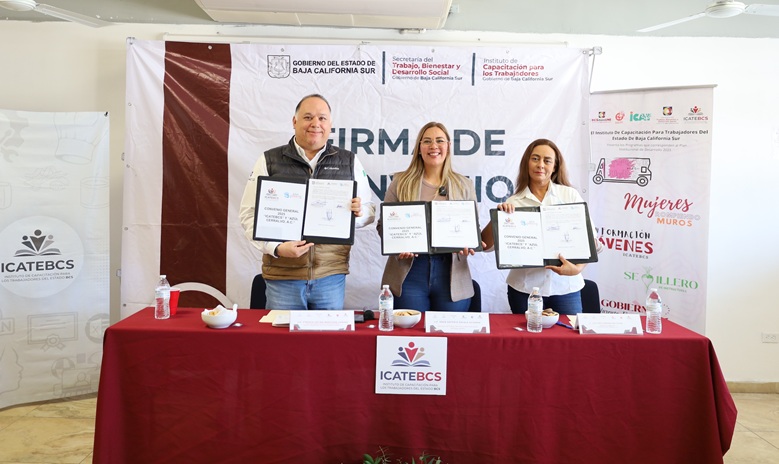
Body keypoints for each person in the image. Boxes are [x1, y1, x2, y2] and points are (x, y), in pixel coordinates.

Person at [239, 94, 375, 310]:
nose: (316, 124)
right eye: (308, 117)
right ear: (294, 121)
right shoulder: (269, 160)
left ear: (330, 124)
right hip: (282, 277)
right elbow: (249, 214)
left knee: (328, 334)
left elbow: (369, 212)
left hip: (330, 277)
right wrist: (276, 248)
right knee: (283, 333)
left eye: (322, 118)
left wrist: (359, 213)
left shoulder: (349, 161)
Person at [481, 138, 601, 315]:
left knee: (569, 333)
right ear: (527, 163)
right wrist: (498, 217)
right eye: (535, 159)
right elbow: (486, 246)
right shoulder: (513, 202)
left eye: (547, 160)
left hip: (566, 288)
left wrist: (577, 268)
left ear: (555, 166)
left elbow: (592, 242)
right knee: (527, 334)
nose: (540, 165)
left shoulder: (570, 195)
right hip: (524, 290)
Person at [377, 122, 479, 312]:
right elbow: (383, 226)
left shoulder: (464, 185)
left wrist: (469, 243)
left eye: (440, 141)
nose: (434, 146)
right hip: (409, 273)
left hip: (452, 274)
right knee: (411, 330)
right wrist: (397, 245)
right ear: (418, 148)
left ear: (448, 146)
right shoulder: (400, 182)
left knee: (449, 330)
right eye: (427, 141)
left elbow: (473, 228)